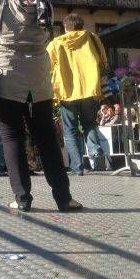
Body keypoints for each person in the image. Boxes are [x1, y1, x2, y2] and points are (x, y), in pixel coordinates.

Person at [0, 0, 81, 212]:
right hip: (38, 78)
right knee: (46, 138)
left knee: (12, 138)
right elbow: (47, 34)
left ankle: (22, 199)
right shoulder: (44, 1)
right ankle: (64, 198)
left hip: (7, 78)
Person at [47, 13, 108, 174]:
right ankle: (95, 152)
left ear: (65, 27)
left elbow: (48, 67)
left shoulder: (55, 44)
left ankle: (77, 166)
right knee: (90, 124)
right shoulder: (93, 38)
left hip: (66, 91)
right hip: (89, 89)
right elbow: (103, 61)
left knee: (70, 130)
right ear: (81, 25)